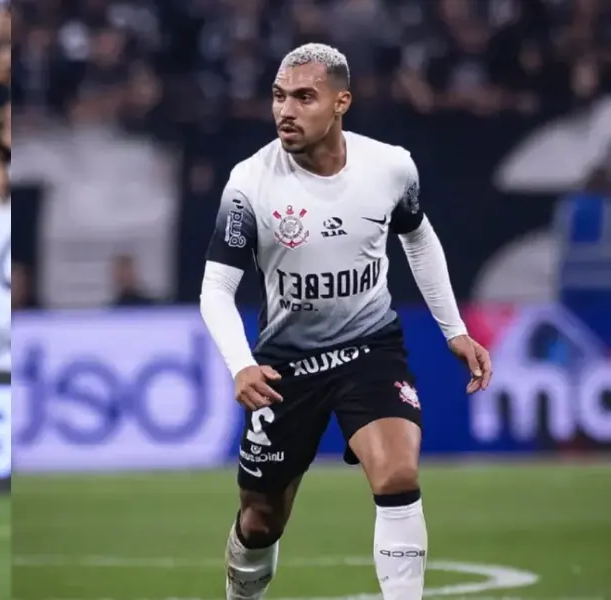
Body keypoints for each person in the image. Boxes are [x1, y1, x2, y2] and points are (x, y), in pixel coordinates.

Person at [199, 43, 493, 600]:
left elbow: (418, 237)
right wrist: (241, 365)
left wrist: (453, 328)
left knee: (398, 475)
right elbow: (216, 289)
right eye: (278, 96)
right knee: (261, 519)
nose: (286, 109)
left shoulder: (390, 166)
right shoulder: (249, 183)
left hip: (370, 348)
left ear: (341, 102)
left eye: (304, 97)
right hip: (285, 366)